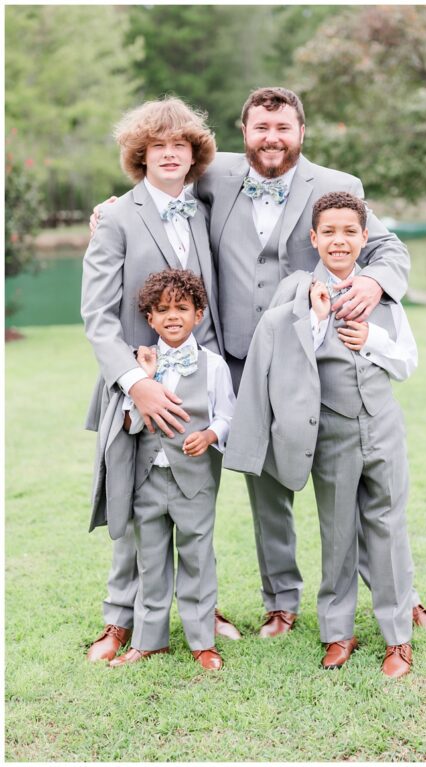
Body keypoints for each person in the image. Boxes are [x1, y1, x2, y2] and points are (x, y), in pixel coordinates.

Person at [93, 86, 426, 638]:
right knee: (266, 488)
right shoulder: (213, 176)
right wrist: (112, 205)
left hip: (309, 366)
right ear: (244, 132)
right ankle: (281, 601)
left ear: (302, 132)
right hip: (230, 360)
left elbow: (389, 250)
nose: (272, 139)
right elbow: (157, 186)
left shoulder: (337, 187)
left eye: (283, 129)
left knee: (347, 485)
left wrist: (375, 281)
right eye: (261, 128)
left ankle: (403, 597)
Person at [225, 191, 416, 677]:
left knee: (389, 526)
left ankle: (398, 638)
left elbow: (407, 362)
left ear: (364, 238)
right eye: (329, 232)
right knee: (336, 532)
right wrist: (315, 317)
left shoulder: (382, 294)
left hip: (382, 425)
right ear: (314, 239)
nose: (339, 240)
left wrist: (371, 339)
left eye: (350, 232)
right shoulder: (296, 291)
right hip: (329, 430)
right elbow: (280, 352)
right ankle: (337, 632)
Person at [82, 97, 240, 664]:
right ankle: (119, 621)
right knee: (131, 510)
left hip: (200, 389)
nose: (170, 154)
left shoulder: (201, 209)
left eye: (181, 146)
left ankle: (202, 611)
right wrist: (134, 382)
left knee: (195, 506)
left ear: (193, 155)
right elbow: (98, 317)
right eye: (158, 147)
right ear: (140, 155)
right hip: (136, 389)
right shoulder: (118, 217)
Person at [99, 269, 235, 670]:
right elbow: (130, 424)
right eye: (162, 310)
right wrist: (147, 377)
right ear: (150, 318)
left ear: (198, 314)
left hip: (194, 481)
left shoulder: (213, 365)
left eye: (182, 308)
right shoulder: (139, 365)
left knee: (197, 558)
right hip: (149, 482)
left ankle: (202, 642)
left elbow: (228, 413)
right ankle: (148, 640)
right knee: (151, 561)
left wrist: (210, 435)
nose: (172, 316)